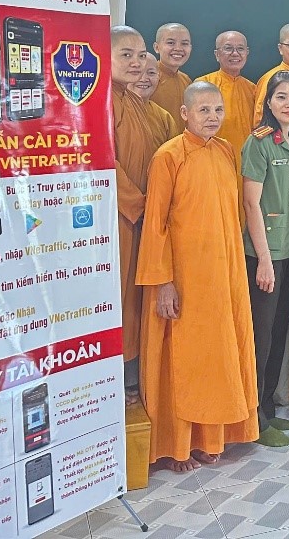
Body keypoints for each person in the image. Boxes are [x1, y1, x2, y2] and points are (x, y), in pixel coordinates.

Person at [138, 82, 258, 471]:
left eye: (218, 110)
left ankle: (215, 436)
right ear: (185, 114)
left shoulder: (225, 150)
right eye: (203, 110)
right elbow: (155, 224)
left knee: (221, 352)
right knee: (186, 359)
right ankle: (180, 445)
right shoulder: (169, 156)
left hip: (223, 273)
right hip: (184, 278)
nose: (212, 117)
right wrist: (163, 282)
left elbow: (233, 213)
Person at [241, 71, 289, 447]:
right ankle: (254, 417)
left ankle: (267, 407)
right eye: (282, 97)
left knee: (279, 331)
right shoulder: (259, 142)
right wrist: (264, 260)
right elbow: (251, 203)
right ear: (268, 103)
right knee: (261, 336)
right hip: (264, 253)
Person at [112, 26, 172, 404]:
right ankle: (111, 383)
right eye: (126, 55)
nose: (136, 64)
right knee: (117, 298)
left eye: (140, 55)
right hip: (120, 217)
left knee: (135, 300)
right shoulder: (102, 101)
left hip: (144, 220)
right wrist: (140, 205)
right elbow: (104, 162)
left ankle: (131, 381)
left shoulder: (137, 104)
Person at [196, 31, 257, 173]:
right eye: (228, 48)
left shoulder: (253, 89)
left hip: (248, 163)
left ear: (247, 52)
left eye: (240, 49)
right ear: (217, 54)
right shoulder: (203, 85)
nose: (235, 53)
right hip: (212, 162)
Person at [151, 22, 192, 134]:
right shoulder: (147, 79)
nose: (178, 48)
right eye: (171, 43)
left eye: (184, 43)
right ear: (156, 47)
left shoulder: (186, 80)